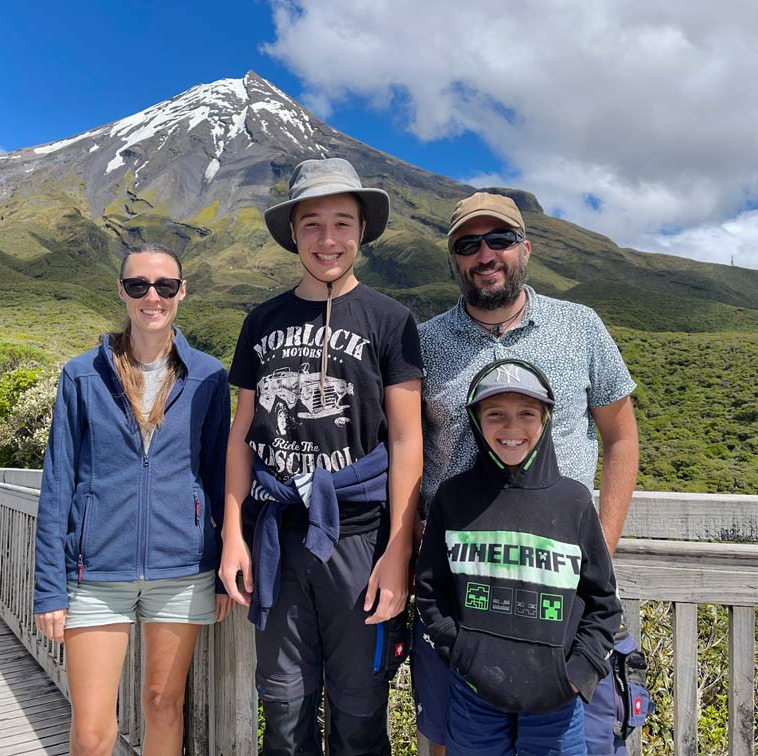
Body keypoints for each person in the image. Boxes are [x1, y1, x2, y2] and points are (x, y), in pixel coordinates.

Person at [413, 192, 640, 756]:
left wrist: (599, 552)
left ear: (526, 249)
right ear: (453, 260)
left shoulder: (580, 327)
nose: (485, 255)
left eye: (500, 241)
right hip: (457, 591)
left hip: (555, 599)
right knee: (446, 741)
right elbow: (404, 449)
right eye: (468, 245)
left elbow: (621, 437)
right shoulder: (424, 342)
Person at [218, 157, 424, 756]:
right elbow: (243, 435)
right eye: (312, 224)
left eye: (342, 223)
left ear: (362, 231)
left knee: (361, 713)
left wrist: (397, 551)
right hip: (276, 540)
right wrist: (233, 532)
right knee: (283, 711)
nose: (327, 239)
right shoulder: (262, 322)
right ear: (293, 234)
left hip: (360, 541)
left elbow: (407, 439)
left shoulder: (391, 321)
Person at [33, 244, 232, 756]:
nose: (153, 296)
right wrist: (49, 589)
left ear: (181, 292)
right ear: (122, 291)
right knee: (94, 730)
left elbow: (217, 478)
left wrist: (221, 570)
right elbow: (57, 483)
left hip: (183, 572)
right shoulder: (81, 374)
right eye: (139, 285)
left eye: (165, 286)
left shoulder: (208, 376)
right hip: (96, 575)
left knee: (164, 704)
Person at [415, 358, 622, 755]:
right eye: (495, 414)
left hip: (557, 704)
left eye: (527, 413)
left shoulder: (574, 502)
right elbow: (430, 590)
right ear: (476, 420)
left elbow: (603, 604)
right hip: (474, 697)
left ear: (545, 419)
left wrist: (575, 676)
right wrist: (463, 654)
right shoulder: (454, 499)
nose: (511, 428)